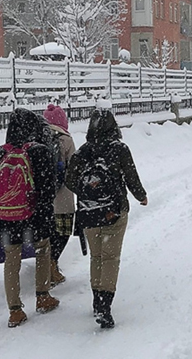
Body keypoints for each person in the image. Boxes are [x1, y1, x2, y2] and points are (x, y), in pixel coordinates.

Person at [65, 107, 148, 329]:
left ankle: (96, 301)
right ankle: (105, 305)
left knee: (97, 257)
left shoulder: (82, 152)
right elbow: (131, 176)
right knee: (111, 258)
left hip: (88, 212)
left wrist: (87, 192)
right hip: (114, 211)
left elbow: (69, 180)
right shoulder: (119, 149)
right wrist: (141, 196)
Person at [0, 108, 60, 328]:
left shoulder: (0, 152)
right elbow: (48, 188)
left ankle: (15, 310)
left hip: (6, 218)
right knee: (43, 250)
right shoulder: (39, 151)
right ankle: (43, 296)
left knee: (11, 259)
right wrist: (35, 206)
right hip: (34, 216)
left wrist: (8, 199)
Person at [42, 104, 76, 287]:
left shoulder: (38, 138)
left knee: (47, 233)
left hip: (43, 197)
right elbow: (74, 167)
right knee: (62, 232)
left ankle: (47, 265)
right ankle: (52, 264)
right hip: (63, 197)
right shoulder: (66, 139)